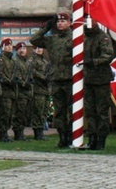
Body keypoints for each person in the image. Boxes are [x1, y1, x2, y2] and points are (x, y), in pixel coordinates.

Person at [30, 12, 73, 147]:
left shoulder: (74, 38)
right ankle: (62, 138)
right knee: (59, 111)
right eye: (58, 22)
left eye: (63, 21)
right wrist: (46, 27)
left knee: (72, 110)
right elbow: (34, 40)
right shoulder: (52, 39)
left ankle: (72, 136)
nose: (60, 23)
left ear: (69, 23)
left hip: (71, 78)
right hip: (56, 78)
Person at [81, 17, 114, 150]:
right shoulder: (83, 37)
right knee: (90, 111)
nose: (87, 23)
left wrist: (93, 62)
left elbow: (108, 55)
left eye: (90, 20)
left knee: (101, 111)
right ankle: (92, 137)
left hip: (101, 79)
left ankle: (101, 139)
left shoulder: (103, 37)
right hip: (88, 79)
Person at [0, 38, 17, 142]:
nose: (9, 47)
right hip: (4, 90)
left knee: (9, 114)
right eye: (7, 45)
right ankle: (1, 134)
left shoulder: (12, 61)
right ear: (3, 47)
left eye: (11, 45)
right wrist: (7, 81)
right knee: (4, 113)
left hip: (12, 91)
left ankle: (6, 133)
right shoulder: (0, 59)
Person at [12, 42, 33, 141]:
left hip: (27, 92)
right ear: (16, 50)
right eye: (20, 48)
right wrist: (24, 84)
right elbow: (16, 76)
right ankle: (18, 133)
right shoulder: (15, 61)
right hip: (19, 91)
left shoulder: (27, 61)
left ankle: (21, 132)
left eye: (24, 48)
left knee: (24, 114)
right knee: (19, 113)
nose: (22, 50)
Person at [29, 46, 51, 140]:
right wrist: (43, 77)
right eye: (37, 48)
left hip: (45, 90)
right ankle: (37, 133)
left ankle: (41, 132)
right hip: (37, 90)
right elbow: (32, 72)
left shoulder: (45, 62)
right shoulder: (32, 60)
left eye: (41, 47)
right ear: (33, 49)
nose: (40, 49)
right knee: (38, 112)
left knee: (44, 112)